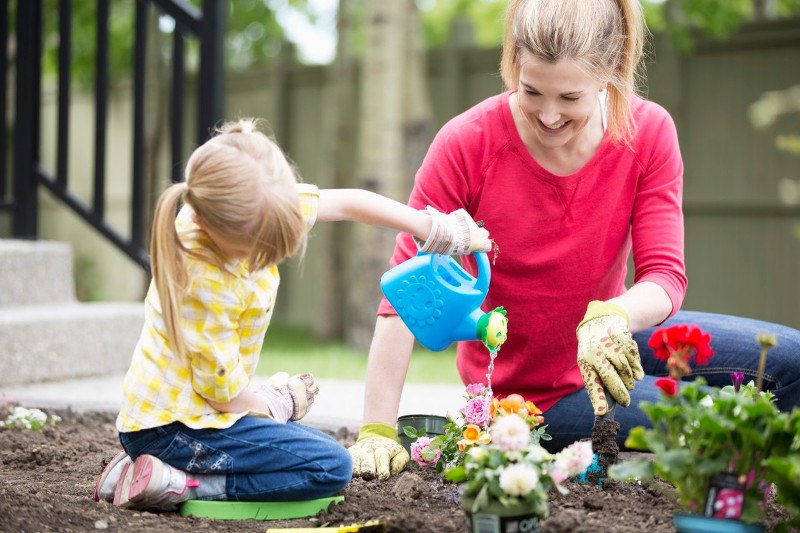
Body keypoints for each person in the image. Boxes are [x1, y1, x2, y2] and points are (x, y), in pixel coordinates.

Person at [348, 0, 800, 481]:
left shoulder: (647, 133)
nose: (547, 115)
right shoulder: (468, 143)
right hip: (534, 392)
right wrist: (376, 427)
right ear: (512, 65)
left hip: (610, 335)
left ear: (611, 72)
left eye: (569, 98)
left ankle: (773, 502)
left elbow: (664, 277)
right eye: (531, 91)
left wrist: (615, 316)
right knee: (714, 421)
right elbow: (403, 299)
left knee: (789, 362)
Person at [92, 118, 491, 510]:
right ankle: (181, 482)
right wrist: (280, 401)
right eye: (258, 245)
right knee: (330, 466)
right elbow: (227, 397)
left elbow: (349, 202)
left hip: (188, 418)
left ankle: (139, 469)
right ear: (216, 227)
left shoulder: (248, 203)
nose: (271, 249)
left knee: (309, 450)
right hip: (177, 428)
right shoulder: (203, 282)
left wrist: (438, 230)